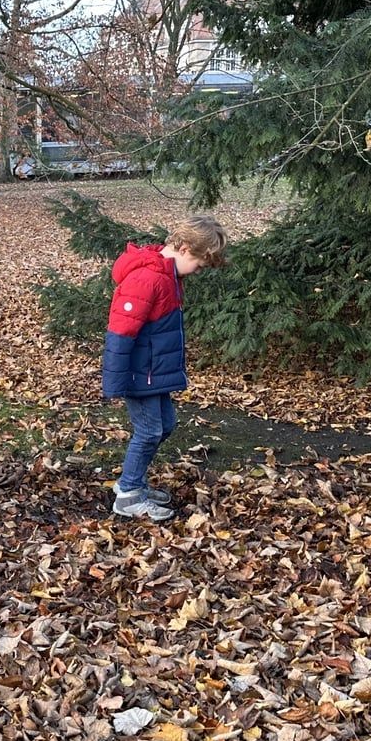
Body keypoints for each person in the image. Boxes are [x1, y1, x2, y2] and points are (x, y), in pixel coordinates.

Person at [101, 215, 228, 520]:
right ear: (184, 248)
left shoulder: (169, 276)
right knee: (148, 431)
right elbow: (120, 331)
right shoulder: (149, 278)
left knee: (165, 425)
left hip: (153, 372)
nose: (198, 270)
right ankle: (128, 494)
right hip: (138, 373)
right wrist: (114, 382)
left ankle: (134, 483)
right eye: (199, 263)